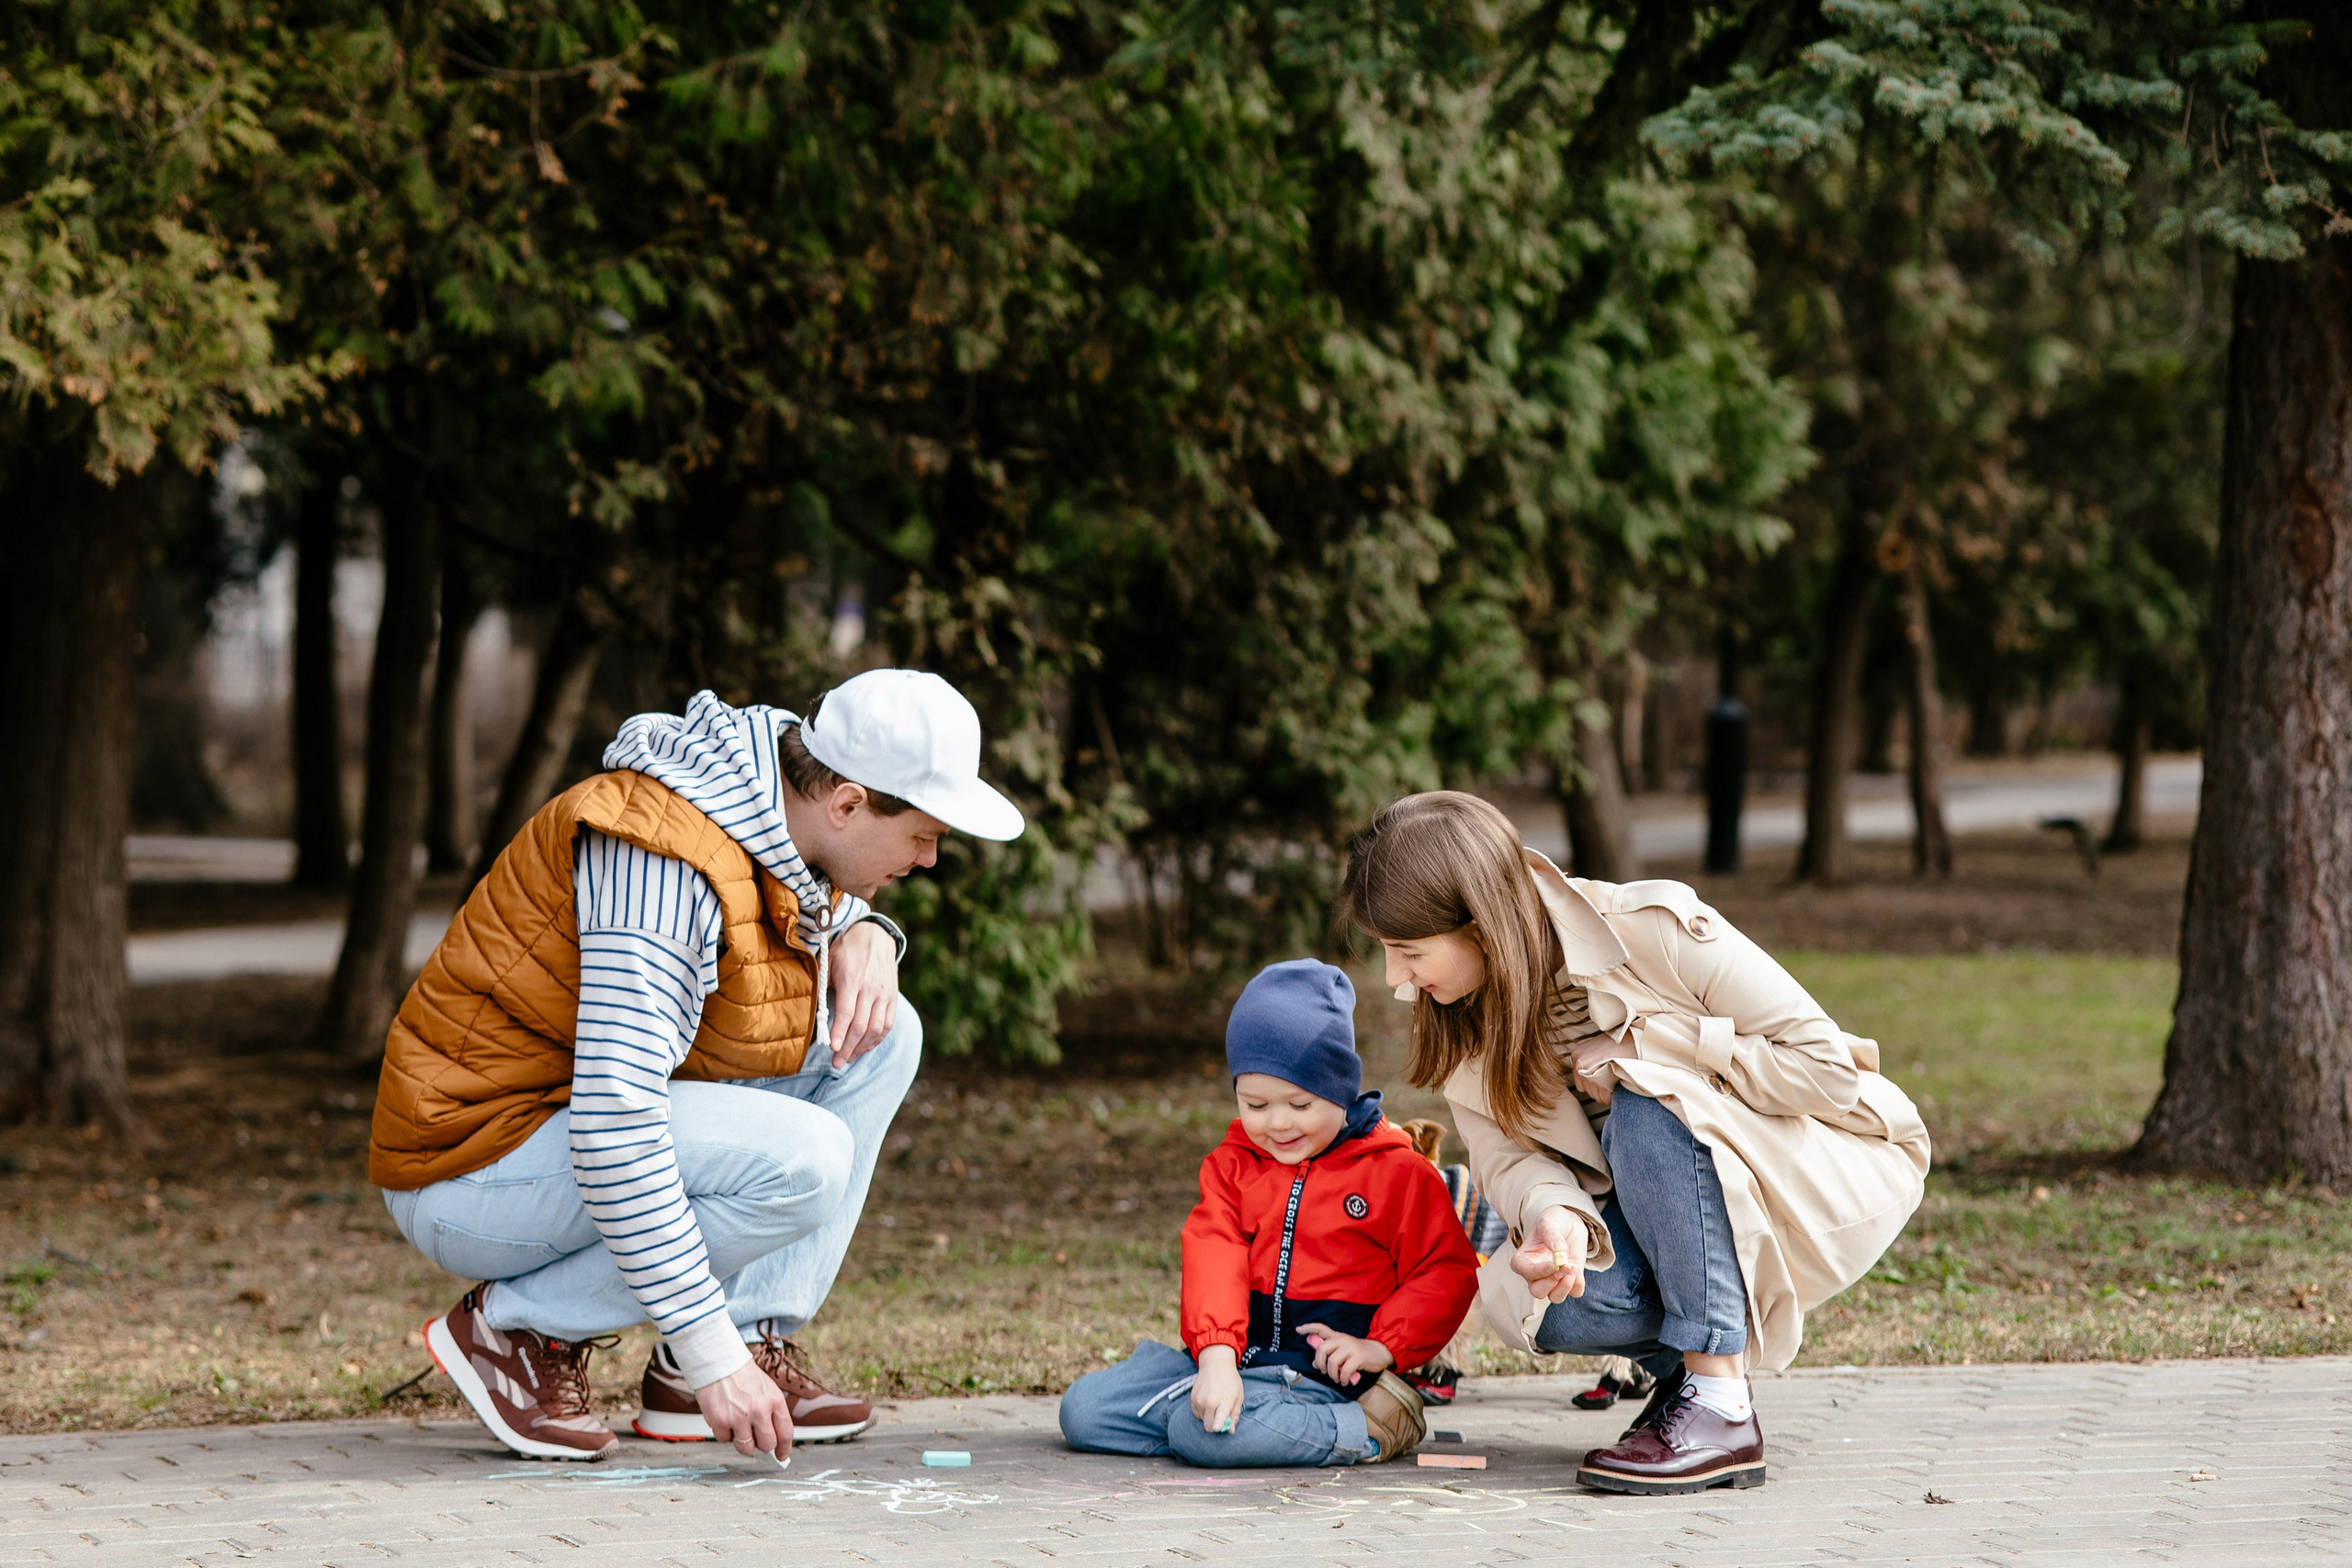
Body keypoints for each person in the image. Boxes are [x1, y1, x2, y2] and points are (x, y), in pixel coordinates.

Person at [368, 670, 1024, 1462]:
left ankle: (727, 1347)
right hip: (467, 1162)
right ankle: (514, 1329)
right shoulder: (661, 865)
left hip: (557, 1119)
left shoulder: (771, 796)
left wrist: (867, 928)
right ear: (849, 803)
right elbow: (617, 1126)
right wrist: (710, 1347)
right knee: (806, 1162)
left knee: (886, 1031)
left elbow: (785, 887)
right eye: (924, 835)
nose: (927, 859)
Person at [1341, 792, 1928, 1495]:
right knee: (1544, 1300)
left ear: (1482, 925)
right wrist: (1554, 1215)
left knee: (1648, 1098)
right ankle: (1687, 1381)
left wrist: (1646, 1046)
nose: (1393, 978)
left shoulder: (1648, 928)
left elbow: (1826, 1070)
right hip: (1657, 1209)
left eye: (1407, 951)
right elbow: (1504, 1158)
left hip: (1812, 1166)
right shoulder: (1462, 1014)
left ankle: (1720, 1408)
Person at [1057, 960, 1477, 1469]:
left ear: (1341, 1089)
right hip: (1235, 1362)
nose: (1277, 1124)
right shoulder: (1232, 1167)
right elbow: (1214, 1255)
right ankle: (1231, 1420)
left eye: (1299, 1105)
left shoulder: (1398, 1173)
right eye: (1255, 1105)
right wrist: (1215, 1358)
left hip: (1328, 1383)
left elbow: (1445, 1271)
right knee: (1084, 1410)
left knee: (1201, 1433)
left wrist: (1379, 1348)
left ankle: (1364, 1430)